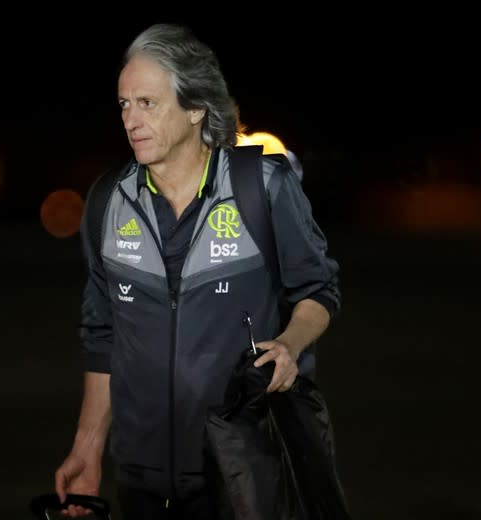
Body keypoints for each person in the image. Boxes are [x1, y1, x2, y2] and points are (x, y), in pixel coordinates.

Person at [54, 23, 341, 519]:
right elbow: (102, 336)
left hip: (244, 470)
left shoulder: (262, 188)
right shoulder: (107, 201)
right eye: (124, 104)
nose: (131, 120)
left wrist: (291, 344)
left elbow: (319, 290)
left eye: (149, 103)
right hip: (140, 479)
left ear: (195, 108)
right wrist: (87, 446)